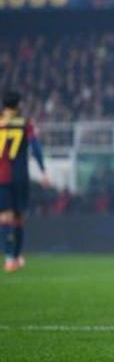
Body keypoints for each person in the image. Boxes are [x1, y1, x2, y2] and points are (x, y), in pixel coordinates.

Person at [1, 90, 50, 272]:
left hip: (1, 176)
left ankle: (9, 260)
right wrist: (43, 171)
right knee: (19, 218)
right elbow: (35, 147)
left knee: (4, 217)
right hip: (19, 175)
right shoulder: (25, 123)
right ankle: (16, 256)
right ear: (18, 104)